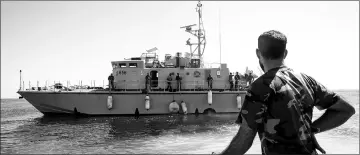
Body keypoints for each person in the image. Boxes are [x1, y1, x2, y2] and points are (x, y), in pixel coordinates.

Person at [218, 30, 355, 155]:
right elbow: (346, 110)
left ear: (258, 53)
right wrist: (312, 130)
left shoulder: (260, 87)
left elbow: (243, 141)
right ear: (285, 53)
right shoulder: (307, 80)